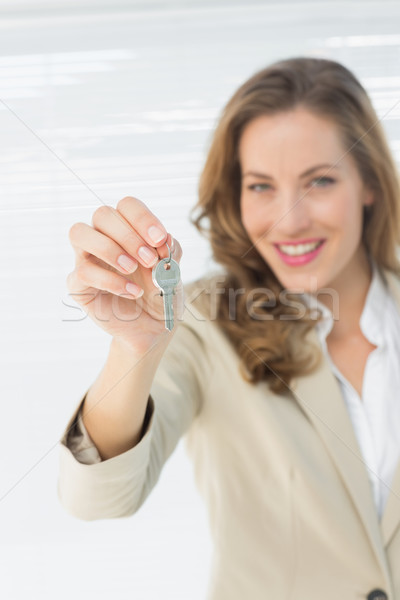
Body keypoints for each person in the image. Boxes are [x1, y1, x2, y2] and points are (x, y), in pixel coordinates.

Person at [58, 56, 400, 599]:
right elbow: (98, 499)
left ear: (369, 184)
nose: (289, 219)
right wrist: (133, 349)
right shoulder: (202, 321)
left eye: (320, 180)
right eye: (261, 186)